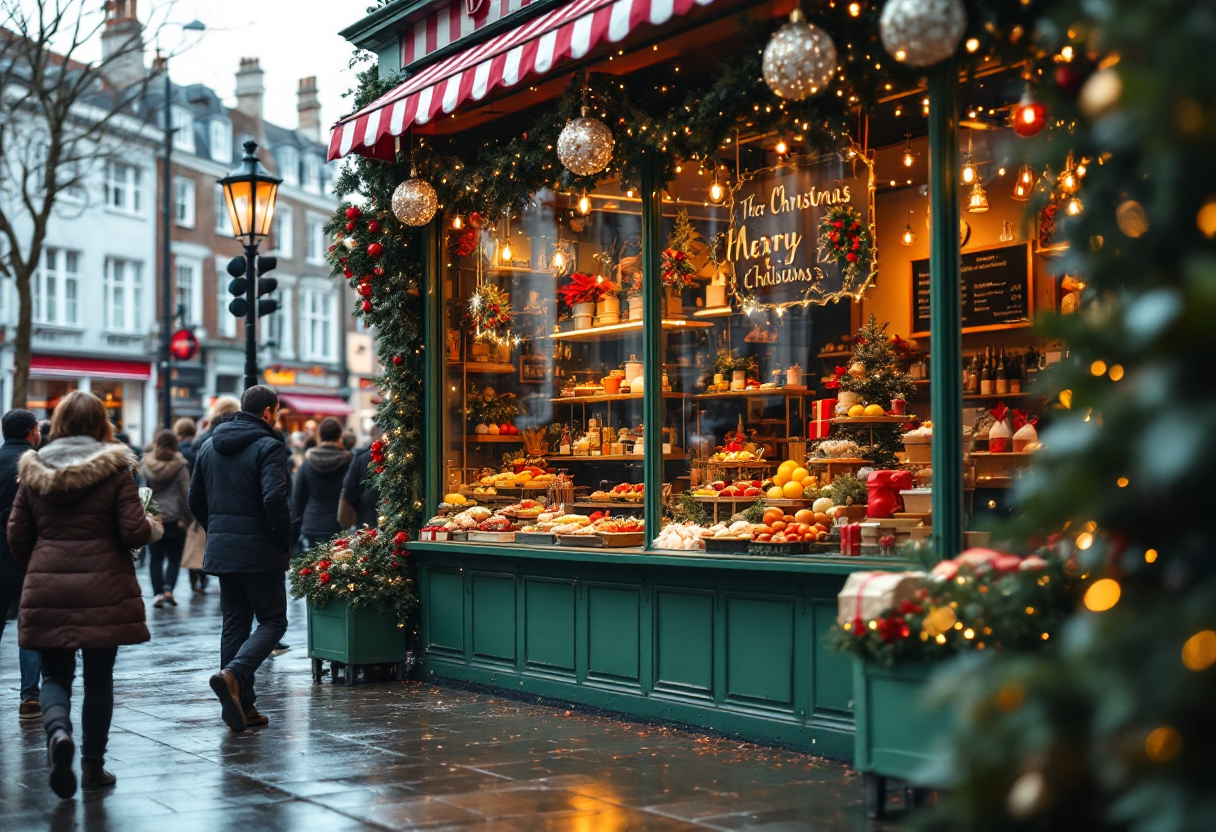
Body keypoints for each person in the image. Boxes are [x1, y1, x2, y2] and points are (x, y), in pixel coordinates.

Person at [8, 391, 161, 798]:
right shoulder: (115, 470)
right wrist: (152, 526)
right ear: (101, 423)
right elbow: (133, 531)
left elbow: (17, 534)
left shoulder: (33, 469)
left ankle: (58, 734)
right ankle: (94, 766)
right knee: (99, 677)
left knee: (55, 674)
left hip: (48, 584)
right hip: (105, 586)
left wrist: (40, 564)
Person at [188, 386, 292, 733]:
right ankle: (232, 675)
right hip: (260, 551)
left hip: (223, 551)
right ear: (267, 412)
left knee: (234, 625)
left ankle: (242, 706)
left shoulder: (208, 446)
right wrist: (282, 539)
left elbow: (195, 500)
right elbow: (275, 498)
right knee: (273, 622)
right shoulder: (269, 446)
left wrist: (216, 531)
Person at [0, 409, 43, 722]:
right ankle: (29, 695)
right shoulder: (37, 465)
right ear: (31, 431)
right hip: (30, 555)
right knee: (30, 628)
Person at [139, 431, 191, 608]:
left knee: (156, 558)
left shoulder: (146, 465)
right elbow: (186, 494)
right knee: (174, 558)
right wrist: (187, 517)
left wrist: (145, 515)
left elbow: (143, 492)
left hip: (154, 517)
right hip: (175, 518)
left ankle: (158, 595)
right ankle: (168, 589)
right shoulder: (180, 466)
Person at [291, 417, 352, 549]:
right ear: (339, 436)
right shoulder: (348, 461)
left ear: (320, 435)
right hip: (339, 526)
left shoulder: (307, 462)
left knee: (309, 568)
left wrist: (296, 524)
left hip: (311, 524)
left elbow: (298, 496)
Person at [339, 423, 382, 530]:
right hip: (393, 523)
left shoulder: (361, 458)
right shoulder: (398, 458)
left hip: (366, 521)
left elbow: (349, 490)